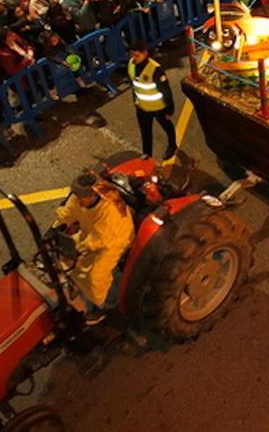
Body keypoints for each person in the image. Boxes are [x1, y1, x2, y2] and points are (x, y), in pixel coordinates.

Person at [52, 172, 135, 323]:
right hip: (92, 234)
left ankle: (104, 304)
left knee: (96, 277)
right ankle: (84, 290)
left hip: (114, 241)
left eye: (81, 198)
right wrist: (57, 226)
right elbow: (69, 212)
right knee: (70, 261)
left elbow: (102, 239)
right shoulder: (79, 198)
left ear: (92, 195)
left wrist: (81, 248)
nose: (77, 199)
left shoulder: (109, 209)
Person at [127, 42, 177, 160]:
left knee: (167, 127)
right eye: (132, 55)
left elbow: (166, 91)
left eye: (137, 56)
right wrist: (135, 99)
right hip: (142, 107)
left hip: (158, 107)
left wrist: (170, 110)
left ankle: (172, 145)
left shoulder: (155, 69)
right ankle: (147, 154)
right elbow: (133, 84)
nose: (134, 58)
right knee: (145, 132)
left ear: (145, 54)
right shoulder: (131, 64)